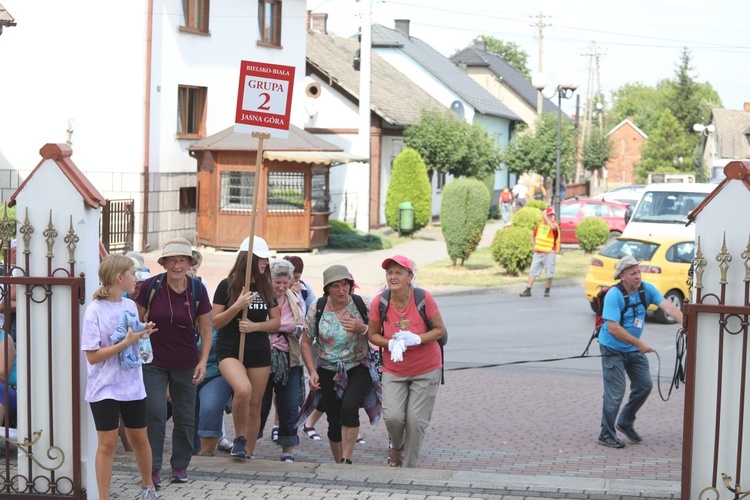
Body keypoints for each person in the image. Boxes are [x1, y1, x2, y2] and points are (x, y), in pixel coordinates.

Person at [135, 238, 213, 487]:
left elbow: (207, 330)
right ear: (164, 263)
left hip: (186, 361)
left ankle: (180, 465)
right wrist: (140, 332)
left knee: (185, 415)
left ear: (190, 263)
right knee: (155, 413)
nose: (177, 265)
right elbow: (134, 322)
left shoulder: (197, 290)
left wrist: (202, 362)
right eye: (172, 260)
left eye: (182, 260)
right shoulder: (150, 286)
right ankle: (152, 468)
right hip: (153, 360)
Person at [81, 254, 158, 500]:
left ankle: (148, 487)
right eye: (133, 274)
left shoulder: (130, 306)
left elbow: (132, 340)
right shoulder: (94, 310)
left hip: (132, 384)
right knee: (107, 444)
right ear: (119, 277)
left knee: (140, 439)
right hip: (103, 387)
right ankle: (104, 497)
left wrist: (143, 333)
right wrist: (126, 342)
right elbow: (92, 357)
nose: (137, 279)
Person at [597, 255, 683, 448]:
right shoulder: (614, 295)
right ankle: (605, 433)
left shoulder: (646, 289)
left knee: (644, 385)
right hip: (613, 349)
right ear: (622, 276)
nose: (638, 276)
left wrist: (686, 324)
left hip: (633, 348)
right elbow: (613, 328)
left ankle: (625, 421)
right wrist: (639, 344)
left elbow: (668, 307)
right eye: (633, 273)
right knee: (615, 392)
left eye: (639, 271)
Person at [367, 255, 445, 468]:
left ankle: (409, 469)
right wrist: (388, 343)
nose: (393, 277)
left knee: (415, 421)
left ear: (410, 277)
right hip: (394, 368)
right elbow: (372, 334)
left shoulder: (423, 298)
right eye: (389, 272)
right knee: (392, 416)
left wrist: (418, 338)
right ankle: (397, 446)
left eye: (398, 272)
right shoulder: (380, 301)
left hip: (426, 368)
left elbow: (440, 330)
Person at [298, 265, 380, 464]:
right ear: (327, 288)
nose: (341, 290)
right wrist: (311, 371)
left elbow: (380, 336)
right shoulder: (317, 308)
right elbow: (306, 342)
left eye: (345, 285)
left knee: (349, 408)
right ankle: (338, 463)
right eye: (336, 286)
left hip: (358, 365)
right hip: (327, 368)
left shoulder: (363, 305)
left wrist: (364, 328)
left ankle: (346, 459)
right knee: (333, 418)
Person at [212, 236, 280, 460]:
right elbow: (216, 322)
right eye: (262, 259)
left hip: (259, 351)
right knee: (243, 390)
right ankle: (239, 437)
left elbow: (276, 322)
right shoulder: (227, 285)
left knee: (255, 404)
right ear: (249, 259)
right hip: (231, 350)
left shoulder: (265, 287)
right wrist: (237, 306)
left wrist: (255, 326)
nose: (266, 263)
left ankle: (247, 453)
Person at [258, 259, 305, 462]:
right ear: (269, 279)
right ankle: (250, 445)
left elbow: (299, 324)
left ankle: (288, 450)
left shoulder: (294, 298)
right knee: (259, 404)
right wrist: (282, 325)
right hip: (261, 357)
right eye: (277, 282)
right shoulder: (260, 298)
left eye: (286, 282)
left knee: (289, 404)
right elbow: (257, 323)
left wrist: (274, 325)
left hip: (289, 358)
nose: (281, 287)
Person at [192, 328, 233, 456]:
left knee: (210, 407)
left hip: (214, 373)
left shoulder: (218, 316)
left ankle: (206, 456)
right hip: (180, 373)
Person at [520, 206, 561, 298]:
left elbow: (553, 228)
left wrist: (546, 216)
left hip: (549, 252)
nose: (551, 217)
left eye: (551, 216)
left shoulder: (554, 225)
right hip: (538, 252)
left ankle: (547, 290)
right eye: (549, 215)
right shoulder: (540, 224)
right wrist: (534, 245)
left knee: (549, 272)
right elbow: (532, 234)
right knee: (533, 271)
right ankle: (528, 290)